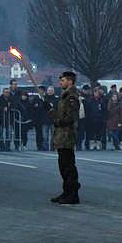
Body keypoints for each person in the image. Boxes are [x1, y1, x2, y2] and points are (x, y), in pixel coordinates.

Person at [47, 71, 81, 205]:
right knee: (63, 165)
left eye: (63, 80)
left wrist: (59, 122)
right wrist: (50, 111)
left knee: (68, 166)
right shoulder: (64, 96)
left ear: (70, 82)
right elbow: (60, 116)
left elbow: (71, 117)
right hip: (61, 135)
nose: (61, 82)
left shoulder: (71, 96)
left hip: (67, 135)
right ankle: (66, 191)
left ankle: (72, 193)